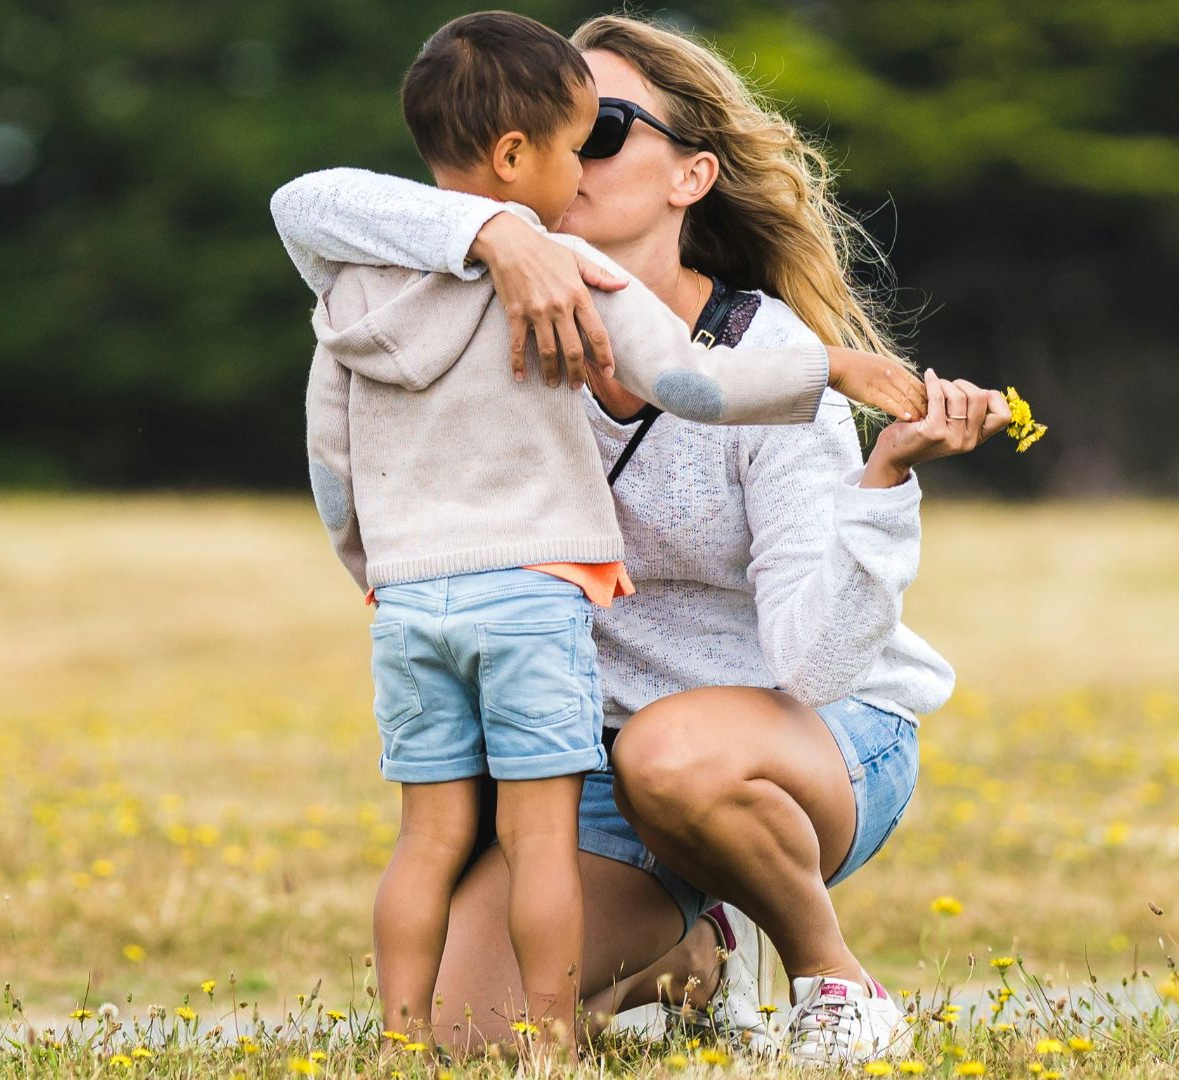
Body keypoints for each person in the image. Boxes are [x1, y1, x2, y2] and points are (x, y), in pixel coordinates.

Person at [279, 11, 933, 1058]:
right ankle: (696, 956)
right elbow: (305, 203)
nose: (567, 143)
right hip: (589, 753)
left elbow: (816, 663)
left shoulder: (763, 359)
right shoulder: (473, 306)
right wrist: (494, 235)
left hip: (796, 743)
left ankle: (833, 983)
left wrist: (883, 481)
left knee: (675, 756)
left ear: (692, 177)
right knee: (475, 1035)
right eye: (547, 120)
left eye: (604, 126)